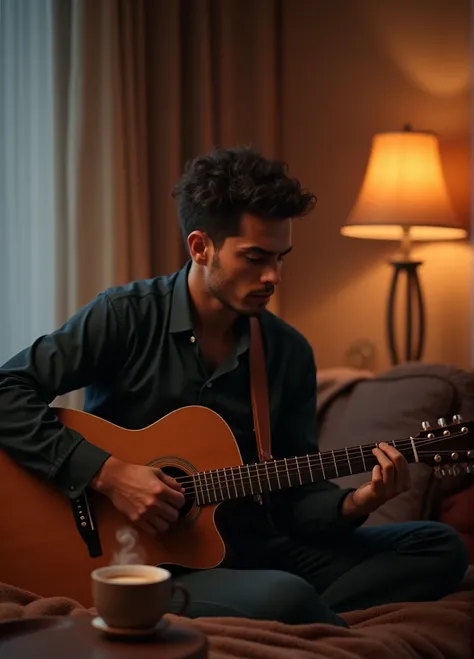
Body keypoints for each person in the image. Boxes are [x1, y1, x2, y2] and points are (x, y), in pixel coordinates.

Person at [0, 146, 468, 626]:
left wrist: (357, 502)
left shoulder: (286, 352)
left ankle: (316, 619)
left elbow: (294, 497)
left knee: (436, 546)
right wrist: (109, 474)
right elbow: (6, 390)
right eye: (255, 257)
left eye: (281, 258)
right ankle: (303, 614)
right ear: (201, 247)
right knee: (285, 596)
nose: (273, 277)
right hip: (144, 559)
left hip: (252, 547)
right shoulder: (125, 316)